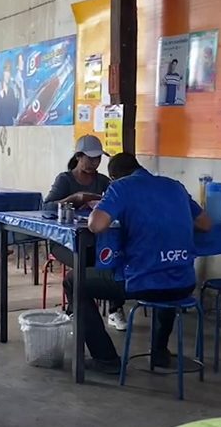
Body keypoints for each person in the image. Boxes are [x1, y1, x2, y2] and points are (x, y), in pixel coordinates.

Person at [63, 152, 212, 373]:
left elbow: (96, 225)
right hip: (184, 282)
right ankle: (159, 353)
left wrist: (104, 203)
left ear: (114, 177)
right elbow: (206, 223)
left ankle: (105, 359)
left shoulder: (121, 188)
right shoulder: (175, 186)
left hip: (144, 282)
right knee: (166, 272)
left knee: (74, 280)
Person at [43, 135, 128, 330]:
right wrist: (74, 198)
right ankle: (76, 311)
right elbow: (46, 207)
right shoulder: (65, 180)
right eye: (90, 158)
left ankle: (115, 309)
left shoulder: (103, 181)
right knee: (86, 262)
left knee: (113, 259)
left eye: (98, 158)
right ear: (78, 156)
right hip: (64, 242)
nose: (94, 163)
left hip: (97, 241)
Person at [0, 60, 19, 126]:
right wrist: (1, 98)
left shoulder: (11, 92)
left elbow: (14, 114)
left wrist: (17, 99)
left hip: (9, 127)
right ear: (3, 74)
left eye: (9, 72)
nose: (8, 75)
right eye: (6, 72)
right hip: (0, 129)